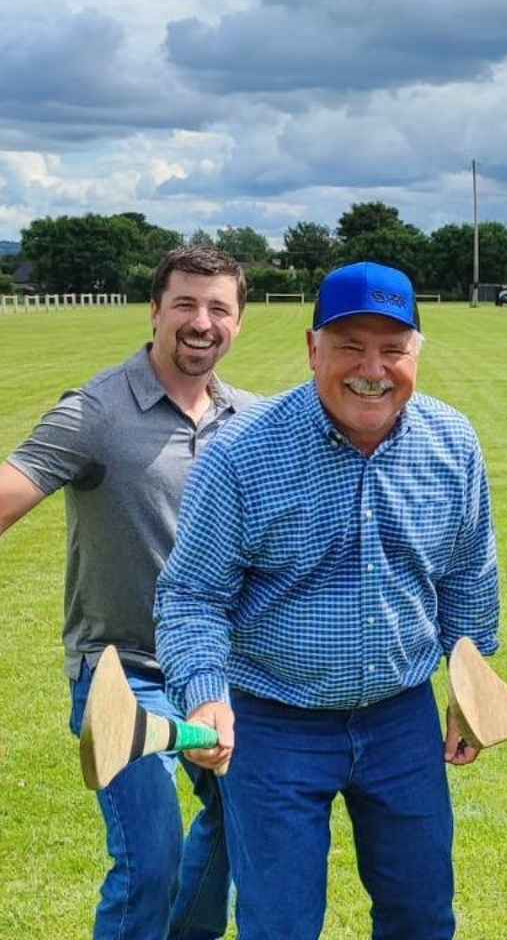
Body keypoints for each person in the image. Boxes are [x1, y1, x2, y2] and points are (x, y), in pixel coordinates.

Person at [154, 261, 499, 940]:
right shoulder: (241, 455)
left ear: (416, 355)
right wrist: (203, 691)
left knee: (422, 916)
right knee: (279, 923)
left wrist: (470, 690)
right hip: (273, 723)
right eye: (350, 346)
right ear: (313, 349)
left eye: (393, 349)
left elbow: (468, 580)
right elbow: (193, 594)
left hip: (401, 720)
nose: (373, 368)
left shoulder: (452, 444)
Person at [0, 246, 252, 940]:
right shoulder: (96, 412)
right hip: (122, 673)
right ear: (155, 311)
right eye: (185, 304)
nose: (201, 322)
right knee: (152, 861)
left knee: (240, 832)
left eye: (218, 308)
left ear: (238, 321)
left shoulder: (253, 422)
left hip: (216, 677)